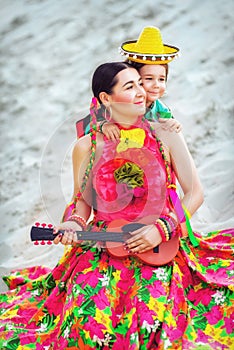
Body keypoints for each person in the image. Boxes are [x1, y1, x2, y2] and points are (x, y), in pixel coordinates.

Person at [0, 61, 233, 350]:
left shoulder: (167, 134)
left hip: (161, 242)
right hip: (103, 244)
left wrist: (162, 229)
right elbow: (82, 200)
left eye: (140, 83)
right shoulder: (87, 145)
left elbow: (195, 193)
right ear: (105, 99)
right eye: (130, 86)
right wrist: (74, 223)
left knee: (153, 322)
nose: (142, 92)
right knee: (88, 326)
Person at [76, 26, 182, 141]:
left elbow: (170, 130)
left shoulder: (161, 110)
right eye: (148, 79)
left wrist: (173, 124)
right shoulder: (118, 105)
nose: (156, 85)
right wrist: (103, 126)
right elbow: (87, 124)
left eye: (161, 79)